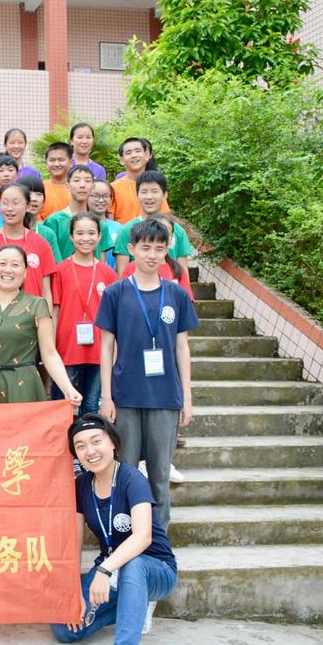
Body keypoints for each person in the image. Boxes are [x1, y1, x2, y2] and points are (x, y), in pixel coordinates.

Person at [96, 219, 199, 530]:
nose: (152, 255)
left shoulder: (176, 294)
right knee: (125, 470)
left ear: (167, 251)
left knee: (160, 473)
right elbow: (106, 347)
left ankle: (159, 536)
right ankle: (125, 532)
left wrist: (187, 396)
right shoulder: (115, 293)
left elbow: (182, 347)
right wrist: (106, 396)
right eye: (145, 248)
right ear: (131, 249)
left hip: (165, 396)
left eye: (159, 248)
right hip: (125, 395)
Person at [51, 414, 178, 645]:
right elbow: (74, 542)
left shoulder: (132, 479)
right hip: (111, 567)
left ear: (112, 442)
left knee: (134, 564)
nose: (90, 451)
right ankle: (135, 606)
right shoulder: (80, 486)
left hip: (154, 567)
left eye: (96, 441)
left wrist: (104, 570)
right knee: (65, 629)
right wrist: (73, 590)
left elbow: (143, 537)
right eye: (81, 446)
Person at [0, 244, 81, 407]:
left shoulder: (37, 305)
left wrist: (68, 389)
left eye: (15, 265)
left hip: (24, 387)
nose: (8, 270)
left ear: (25, 272)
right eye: (2, 263)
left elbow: (49, 353)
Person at [51, 213, 119, 416]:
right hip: (66, 348)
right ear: (71, 237)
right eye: (80, 233)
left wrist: (115, 350)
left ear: (99, 236)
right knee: (63, 405)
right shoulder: (60, 270)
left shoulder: (108, 273)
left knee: (90, 406)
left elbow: (114, 319)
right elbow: (54, 311)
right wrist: (51, 347)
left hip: (98, 349)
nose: (86, 238)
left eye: (91, 233)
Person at [0, 184, 55, 312]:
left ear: (28, 206)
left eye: (15, 203)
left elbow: (46, 292)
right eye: (5, 203)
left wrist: (47, 320)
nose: (9, 208)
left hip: (32, 318)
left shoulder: (42, 244)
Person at [113, 171, 191, 279]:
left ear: (165, 195)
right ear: (137, 195)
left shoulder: (178, 231)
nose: (149, 197)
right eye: (144, 192)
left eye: (154, 191)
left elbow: (183, 271)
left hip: (170, 287)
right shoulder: (126, 231)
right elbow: (122, 273)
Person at [43, 165, 117, 262]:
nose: (82, 185)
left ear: (93, 187)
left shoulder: (100, 224)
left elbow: (102, 262)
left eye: (87, 181)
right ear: (67, 186)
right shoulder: (54, 221)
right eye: (76, 180)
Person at [110, 139, 170, 225]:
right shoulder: (113, 188)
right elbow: (110, 224)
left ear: (147, 155)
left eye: (138, 151)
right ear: (121, 160)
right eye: (128, 152)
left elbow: (165, 218)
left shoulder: (156, 186)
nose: (134, 155)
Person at [87, 179, 121, 271]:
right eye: (95, 196)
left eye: (106, 196)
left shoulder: (119, 228)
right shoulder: (78, 226)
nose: (101, 200)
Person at [40, 142, 72, 220]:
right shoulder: (40, 188)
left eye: (61, 160)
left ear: (71, 163)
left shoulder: (77, 188)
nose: (56, 164)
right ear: (46, 163)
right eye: (52, 160)